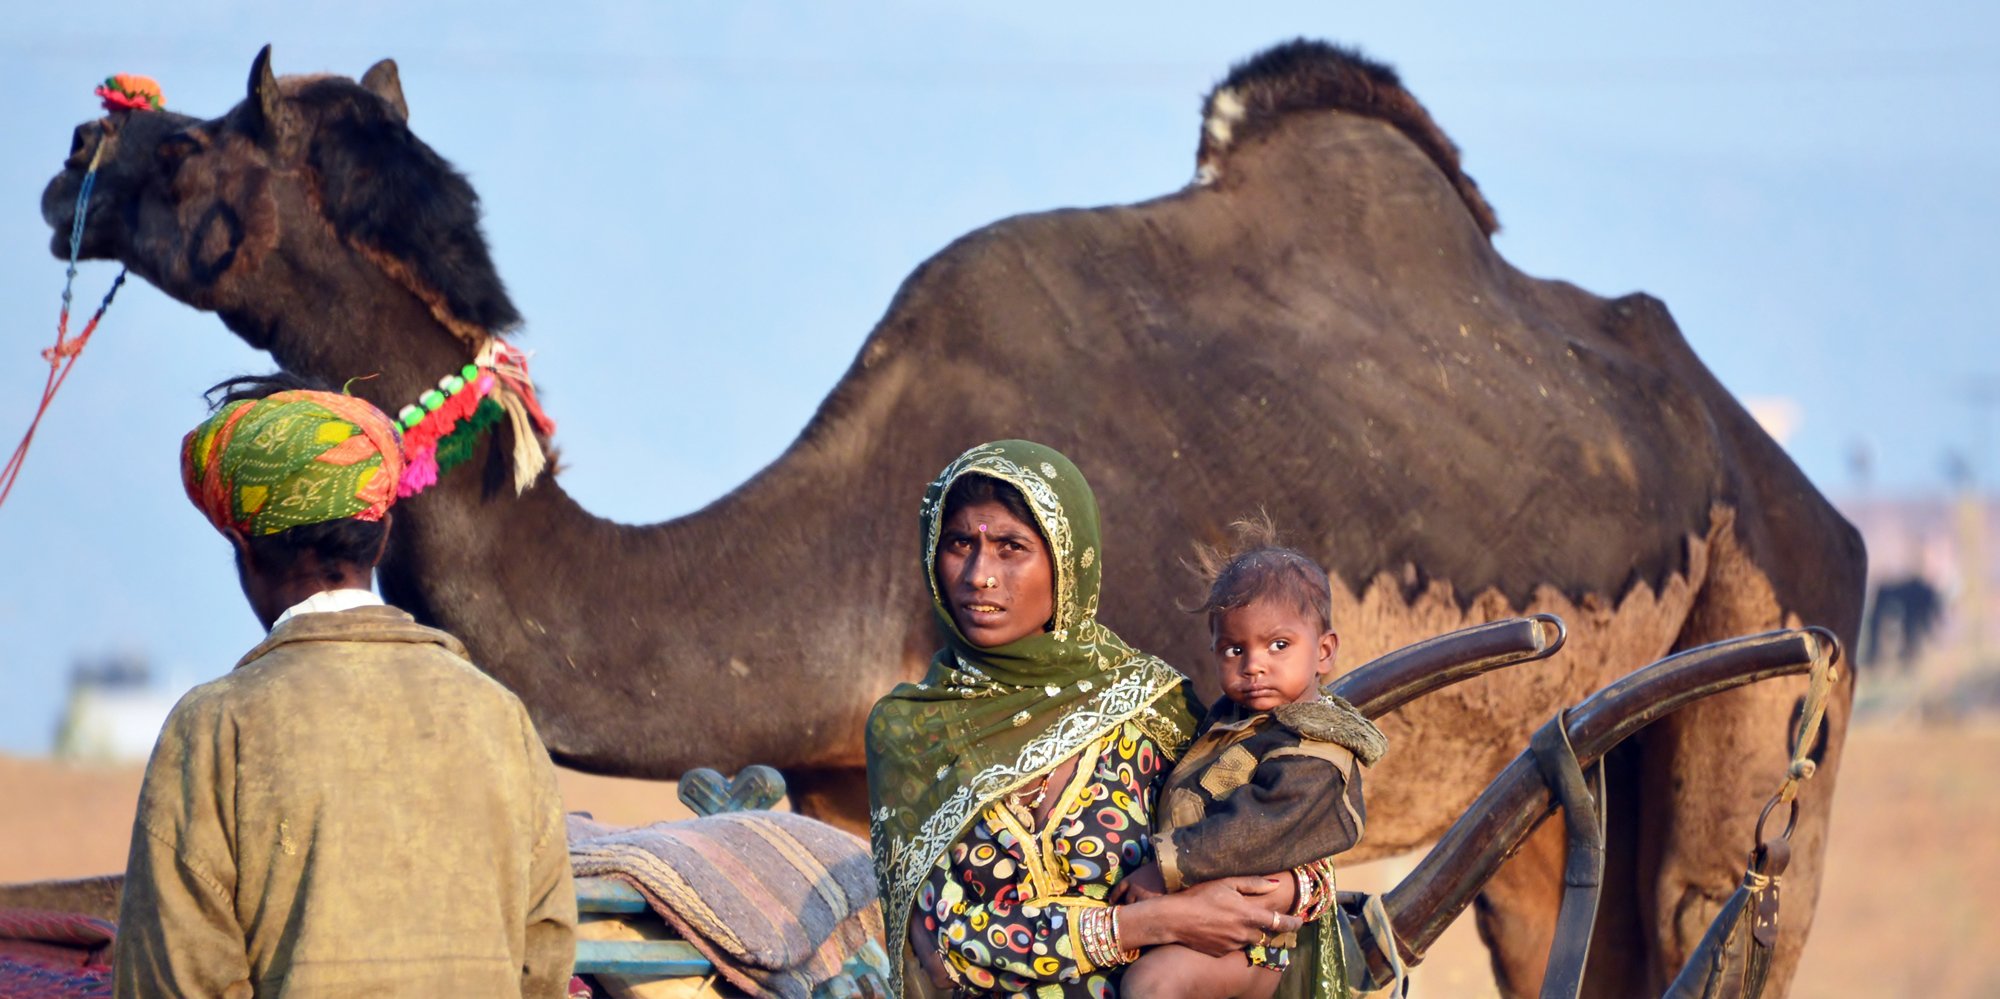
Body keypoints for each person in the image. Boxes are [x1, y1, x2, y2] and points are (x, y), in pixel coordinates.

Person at [114, 378, 576, 997]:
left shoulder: (214, 727)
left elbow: (174, 977)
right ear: (382, 537)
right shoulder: (496, 714)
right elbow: (542, 957)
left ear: (244, 551)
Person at [866, 441, 1302, 999]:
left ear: (1067, 562)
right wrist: (1151, 924)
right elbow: (944, 948)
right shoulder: (911, 732)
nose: (979, 575)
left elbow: (1290, 818)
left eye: (1010, 547)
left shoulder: (1152, 703)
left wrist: (1284, 890)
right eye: (958, 544)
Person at [1113, 529, 1387, 999]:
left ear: (1323, 652)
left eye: (1278, 645)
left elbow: (1256, 829)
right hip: (1207, 926)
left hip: (1258, 944)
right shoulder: (1238, 721)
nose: (1254, 664)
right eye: (1235, 650)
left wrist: (1165, 866)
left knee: (1151, 987)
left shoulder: (1313, 749)